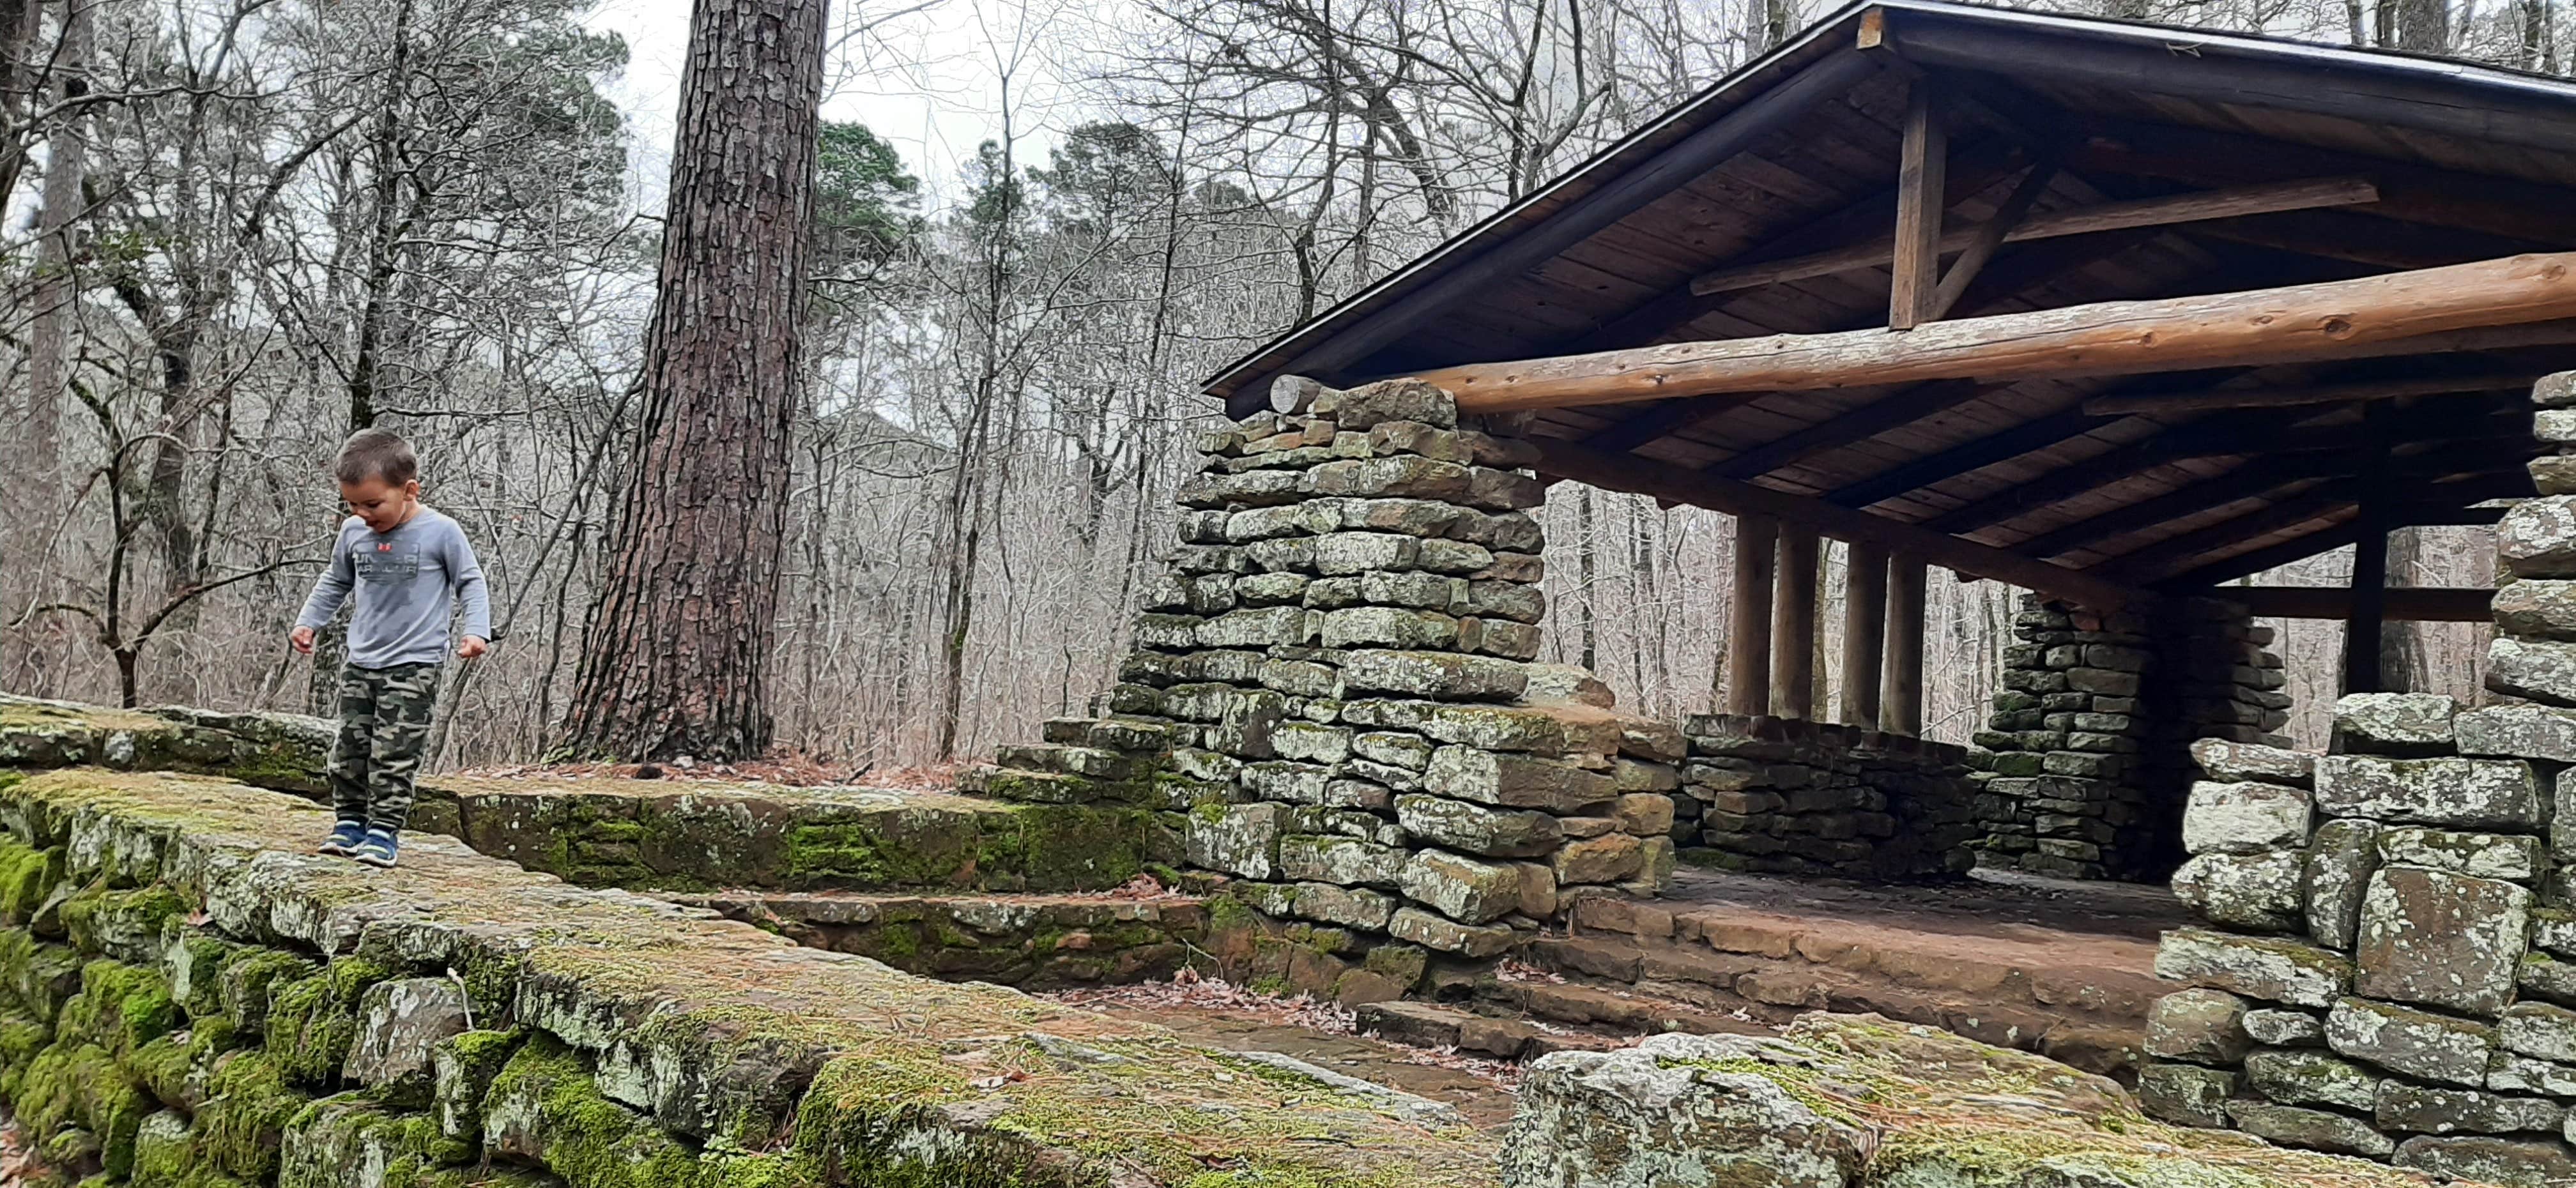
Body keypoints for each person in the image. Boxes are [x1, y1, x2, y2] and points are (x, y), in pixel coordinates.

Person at [289, 429, 490, 868]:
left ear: (410, 490)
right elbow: (335, 580)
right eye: (352, 505)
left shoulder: (441, 533)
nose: (362, 514)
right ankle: (349, 823)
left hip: (414, 664)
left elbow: (470, 582)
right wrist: (309, 621)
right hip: (361, 661)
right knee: (349, 751)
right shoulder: (353, 533)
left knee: (394, 752)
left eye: (373, 504)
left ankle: (384, 831)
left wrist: (477, 630)